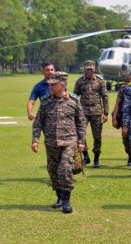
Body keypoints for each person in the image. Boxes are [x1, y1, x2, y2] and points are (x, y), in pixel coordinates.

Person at [31, 72, 86, 214]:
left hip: (69, 142)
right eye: (49, 84)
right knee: (53, 171)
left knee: (65, 169)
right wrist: (35, 140)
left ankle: (67, 200)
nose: (50, 87)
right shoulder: (45, 101)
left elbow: (81, 122)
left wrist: (81, 141)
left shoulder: (74, 101)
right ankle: (60, 198)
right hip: (51, 143)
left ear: (62, 85)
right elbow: (38, 122)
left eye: (53, 84)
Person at [74, 60, 109, 168]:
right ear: (85, 69)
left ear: (94, 69)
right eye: (88, 69)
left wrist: (106, 113)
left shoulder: (100, 81)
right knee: (80, 134)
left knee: (97, 137)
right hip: (83, 112)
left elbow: (105, 97)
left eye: (91, 69)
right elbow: (75, 96)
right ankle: (86, 156)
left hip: (97, 112)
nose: (89, 71)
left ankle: (96, 158)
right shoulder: (79, 81)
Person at [112, 72, 131, 166]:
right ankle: (130, 155)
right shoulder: (123, 89)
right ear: (128, 79)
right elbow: (118, 103)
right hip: (125, 117)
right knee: (125, 139)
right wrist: (114, 118)